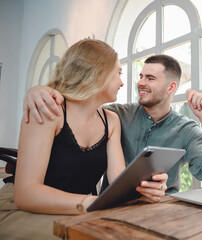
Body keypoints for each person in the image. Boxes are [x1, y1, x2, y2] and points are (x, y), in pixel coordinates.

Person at [1, 39, 151, 239]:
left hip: (75, 211)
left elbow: (118, 185)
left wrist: (146, 189)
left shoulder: (111, 121)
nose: (122, 82)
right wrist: (93, 204)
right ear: (99, 73)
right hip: (20, 211)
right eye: (118, 73)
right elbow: (25, 195)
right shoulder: (47, 111)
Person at [22, 54, 202, 198]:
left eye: (150, 78)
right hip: (113, 205)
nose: (140, 82)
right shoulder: (115, 115)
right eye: (140, 76)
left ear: (171, 87)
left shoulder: (186, 129)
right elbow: (80, 105)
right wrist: (39, 90)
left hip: (158, 206)